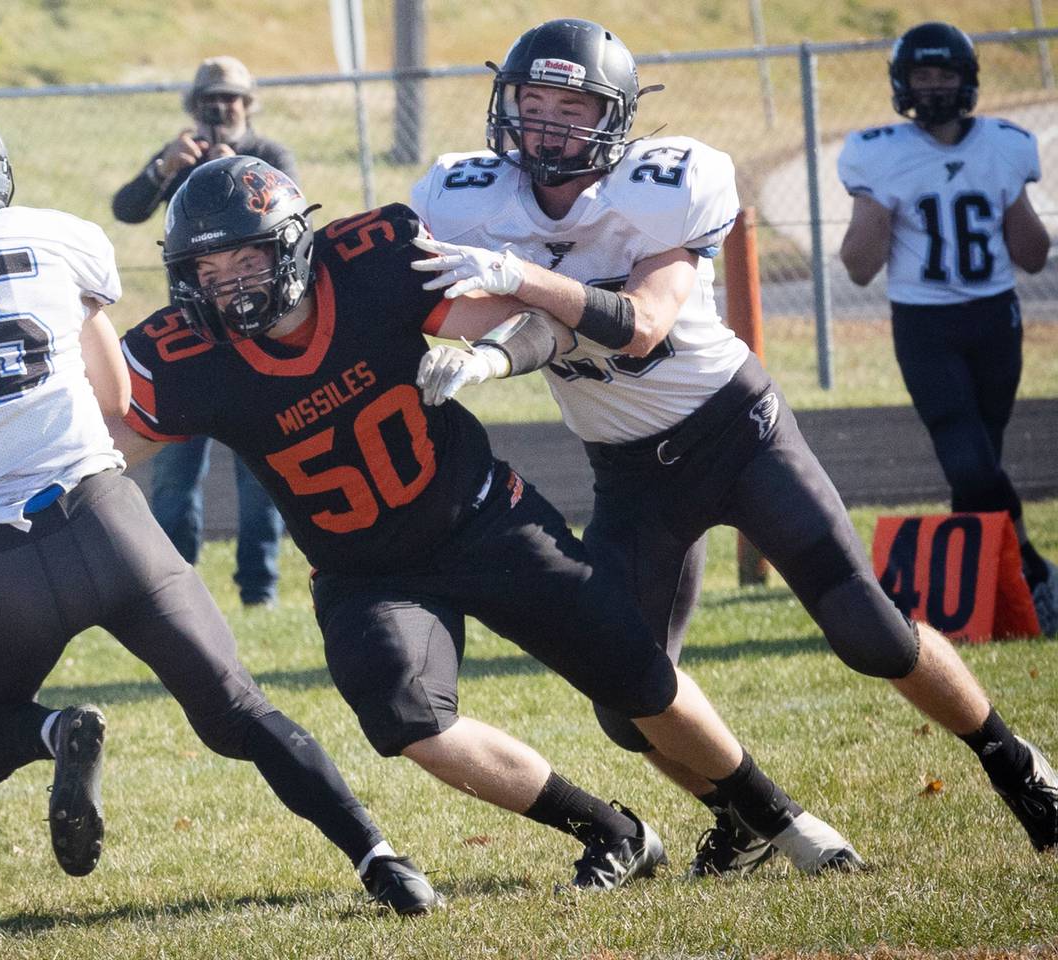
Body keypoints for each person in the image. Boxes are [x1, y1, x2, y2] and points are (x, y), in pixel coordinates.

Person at [110, 153, 868, 893]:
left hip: (483, 520)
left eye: (245, 261)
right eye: (208, 271)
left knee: (636, 674)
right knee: (408, 719)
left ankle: (781, 820)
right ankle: (612, 831)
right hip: (364, 573)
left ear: (294, 248)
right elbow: (108, 449)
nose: (230, 287)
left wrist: (489, 359)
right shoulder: (182, 354)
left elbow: (529, 321)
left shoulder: (372, 261)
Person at [405, 17, 1058, 873]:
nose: (549, 122)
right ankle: (746, 817)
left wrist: (517, 278)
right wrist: (471, 344)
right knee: (624, 695)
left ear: (617, 116)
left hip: (738, 435)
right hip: (631, 473)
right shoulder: (468, 194)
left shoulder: (666, 184)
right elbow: (479, 312)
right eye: (534, 100)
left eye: (574, 104)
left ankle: (1019, 767)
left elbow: (639, 325)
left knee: (870, 633)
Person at [0, 99, 438, 914]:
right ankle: (382, 860)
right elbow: (119, 399)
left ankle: (56, 733)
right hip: (109, 520)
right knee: (239, 709)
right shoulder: (58, 238)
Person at [837, 21, 1056, 634]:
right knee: (967, 458)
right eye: (922, 76)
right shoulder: (879, 152)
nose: (933, 87)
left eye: (944, 75)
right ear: (902, 84)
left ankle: (983, 597)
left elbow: (1033, 255)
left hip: (996, 319)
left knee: (980, 461)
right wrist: (879, 204)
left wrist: (1007, 197)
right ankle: (1036, 574)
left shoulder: (1006, 145)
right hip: (925, 324)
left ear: (968, 81)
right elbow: (858, 269)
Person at [112, 55, 290, 606]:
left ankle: (259, 590)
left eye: (231, 99)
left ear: (248, 104)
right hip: (191, 336)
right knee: (173, 472)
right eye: (210, 100)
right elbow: (127, 209)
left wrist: (236, 168)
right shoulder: (179, 155)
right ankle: (176, 587)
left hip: (260, 336)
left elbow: (295, 216)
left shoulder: (267, 156)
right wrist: (161, 171)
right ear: (194, 106)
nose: (221, 110)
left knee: (261, 474)